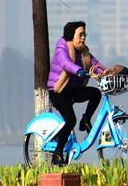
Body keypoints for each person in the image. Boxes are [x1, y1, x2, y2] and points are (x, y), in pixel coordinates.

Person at [47, 21, 110, 165]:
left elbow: (95, 64)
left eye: (84, 34)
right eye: (80, 34)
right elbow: (65, 64)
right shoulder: (61, 47)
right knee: (70, 121)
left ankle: (86, 120)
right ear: (71, 36)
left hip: (72, 89)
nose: (83, 38)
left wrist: (107, 72)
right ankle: (57, 152)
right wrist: (78, 70)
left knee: (95, 94)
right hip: (58, 91)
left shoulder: (84, 52)